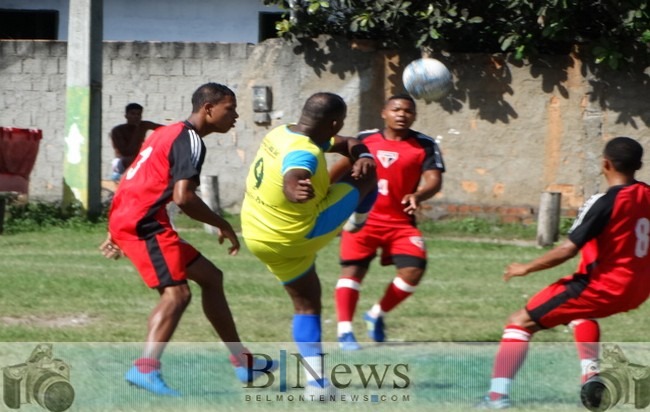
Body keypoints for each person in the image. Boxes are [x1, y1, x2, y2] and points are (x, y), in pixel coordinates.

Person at [100, 83, 275, 397]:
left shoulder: (165, 133)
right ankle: (145, 369)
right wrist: (223, 224)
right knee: (177, 295)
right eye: (230, 108)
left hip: (135, 219)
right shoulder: (190, 140)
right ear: (209, 109)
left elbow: (130, 177)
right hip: (144, 224)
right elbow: (184, 198)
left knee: (211, 277)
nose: (235, 115)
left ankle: (242, 360)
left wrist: (115, 226)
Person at [478, 136, 650, 409]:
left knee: (520, 322)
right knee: (579, 311)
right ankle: (590, 375)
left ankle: (496, 397)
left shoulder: (604, 202)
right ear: (639, 164)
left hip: (603, 286)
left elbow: (568, 249)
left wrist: (526, 267)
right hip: (638, 291)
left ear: (605, 164)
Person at [240, 92, 378, 398]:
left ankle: (317, 385)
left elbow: (348, 143)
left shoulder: (282, 132)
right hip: (298, 234)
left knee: (307, 301)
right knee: (370, 174)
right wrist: (294, 187)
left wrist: (363, 152)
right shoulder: (305, 153)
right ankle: (357, 220)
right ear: (333, 122)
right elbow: (296, 171)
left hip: (257, 234)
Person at [330, 94, 445, 350]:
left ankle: (376, 313)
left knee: (413, 270)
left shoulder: (424, 144)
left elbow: (434, 180)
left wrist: (419, 195)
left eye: (408, 111)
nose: (402, 114)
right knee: (352, 273)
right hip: (363, 218)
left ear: (414, 115)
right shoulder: (365, 139)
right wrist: (323, 189)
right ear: (384, 112)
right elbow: (342, 167)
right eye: (396, 109)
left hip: (401, 223)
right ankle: (345, 331)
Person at [110, 102, 163, 182]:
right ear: (126, 116)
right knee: (131, 159)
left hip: (138, 160)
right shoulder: (118, 130)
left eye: (138, 114)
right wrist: (137, 130)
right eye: (133, 114)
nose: (136, 117)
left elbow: (164, 128)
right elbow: (126, 152)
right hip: (121, 163)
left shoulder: (144, 125)